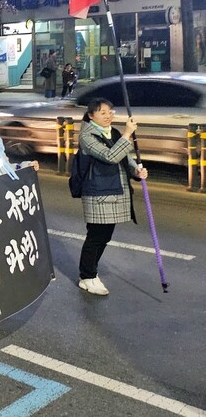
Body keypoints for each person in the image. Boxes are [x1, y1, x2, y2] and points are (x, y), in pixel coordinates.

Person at [76, 98, 147, 296]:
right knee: (96, 236)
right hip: (98, 193)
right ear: (91, 115)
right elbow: (110, 156)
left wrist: (136, 171)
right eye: (102, 112)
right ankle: (87, 276)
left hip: (114, 191)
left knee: (104, 236)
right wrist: (127, 134)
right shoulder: (87, 136)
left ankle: (91, 273)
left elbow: (125, 157)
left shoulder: (112, 132)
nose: (108, 116)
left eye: (110, 112)